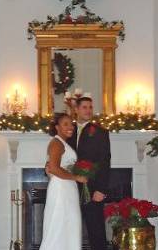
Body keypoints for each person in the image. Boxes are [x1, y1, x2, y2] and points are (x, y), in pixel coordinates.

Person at [39, 113, 88, 250]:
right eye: (65, 124)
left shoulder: (63, 143)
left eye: (71, 124)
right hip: (61, 189)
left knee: (69, 226)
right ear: (57, 127)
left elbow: (53, 168)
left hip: (66, 188)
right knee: (58, 226)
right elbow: (54, 168)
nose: (70, 127)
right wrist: (76, 177)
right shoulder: (56, 143)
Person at [68, 97, 111, 250]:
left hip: (93, 188)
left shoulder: (100, 132)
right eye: (84, 107)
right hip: (71, 187)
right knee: (70, 228)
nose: (88, 110)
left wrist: (101, 189)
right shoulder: (68, 130)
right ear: (76, 110)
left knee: (96, 229)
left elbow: (105, 162)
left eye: (90, 107)